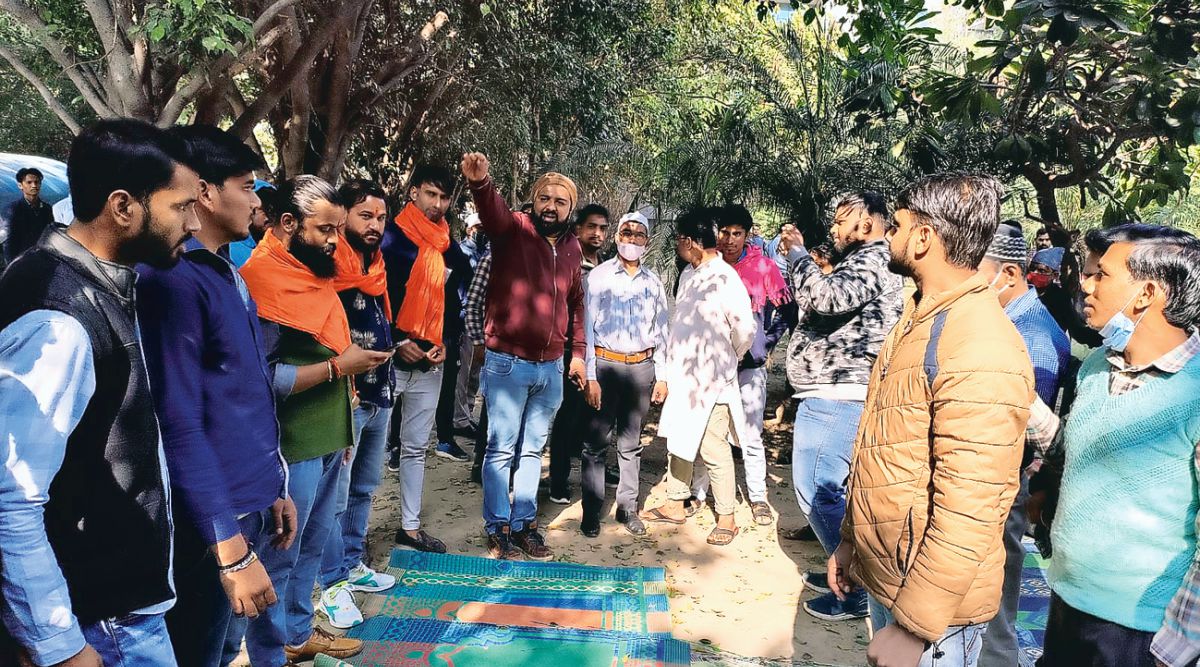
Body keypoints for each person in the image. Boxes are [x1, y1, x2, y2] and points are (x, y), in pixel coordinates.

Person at [0, 118, 200, 666]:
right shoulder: (59, 318)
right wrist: (59, 644)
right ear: (123, 206)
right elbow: (12, 495)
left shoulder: (100, 283)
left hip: (117, 610)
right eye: (181, 206)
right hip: (101, 623)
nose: (194, 221)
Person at [828, 173, 1034, 667]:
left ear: (923, 238)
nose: (887, 237)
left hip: (933, 612)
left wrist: (915, 628)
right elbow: (889, 450)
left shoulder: (979, 345)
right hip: (896, 579)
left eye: (895, 226)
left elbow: (971, 506)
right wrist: (852, 543)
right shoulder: (921, 317)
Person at [134, 124, 298, 667]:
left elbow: (242, 398)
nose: (256, 202)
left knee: (224, 644)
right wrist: (227, 546)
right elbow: (178, 421)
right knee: (196, 649)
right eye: (247, 187)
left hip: (246, 500)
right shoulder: (173, 282)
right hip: (208, 517)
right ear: (203, 192)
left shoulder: (224, 271)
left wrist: (273, 484)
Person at [1025, 225, 1200, 667]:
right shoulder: (1100, 365)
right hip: (1068, 602)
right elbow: (1079, 450)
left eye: (1100, 275)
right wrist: (1024, 403)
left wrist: (1174, 648)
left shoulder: (1194, 393)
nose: (1085, 284)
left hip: (1138, 633)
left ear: (1145, 293)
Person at [239, 176, 390, 665]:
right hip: (292, 445)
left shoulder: (316, 275)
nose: (334, 240)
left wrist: (345, 422)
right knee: (281, 554)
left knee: (314, 544)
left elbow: (334, 346)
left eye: (337, 229)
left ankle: (299, 633)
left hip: (332, 435)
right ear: (288, 223)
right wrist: (336, 369)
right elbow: (262, 378)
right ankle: (270, 650)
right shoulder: (259, 280)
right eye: (325, 229)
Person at [775, 192, 903, 623]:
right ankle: (842, 569)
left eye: (840, 220)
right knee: (835, 493)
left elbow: (825, 298)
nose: (832, 228)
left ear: (866, 223)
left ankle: (852, 590)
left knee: (817, 489)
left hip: (839, 396)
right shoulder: (866, 260)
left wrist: (797, 255)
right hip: (833, 393)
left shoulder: (873, 259)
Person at [461, 152, 587, 562]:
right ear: (533, 201)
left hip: (550, 367)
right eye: (544, 198)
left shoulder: (571, 248)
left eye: (560, 200)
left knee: (533, 451)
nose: (551, 206)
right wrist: (481, 183)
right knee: (500, 449)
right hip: (507, 363)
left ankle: (524, 524)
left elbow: (577, 303)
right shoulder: (513, 229)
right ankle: (497, 526)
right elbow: (492, 211)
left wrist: (578, 354)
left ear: (571, 207)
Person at [972, 221, 1069, 667]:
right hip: (991, 481)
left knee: (994, 609)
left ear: (1008, 274)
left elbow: (1025, 428)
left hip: (1001, 483)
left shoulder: (1032, 338)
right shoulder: (1007, 321)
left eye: (978, 271)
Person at [313, 179, 403, 631]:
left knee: (365, 488)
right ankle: (331, 585)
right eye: (365, 215)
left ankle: (351, 564)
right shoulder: (327, 267)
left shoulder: (377, 265)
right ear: (344, 215)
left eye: (381, 218)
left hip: (379, 391)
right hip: (345, 397)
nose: (374, 225)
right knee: (334, 496)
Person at [640, 207, 756, 547]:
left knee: (713, 447)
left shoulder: (725, 276)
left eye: (679, 239)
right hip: (684, 377)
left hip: (714, 379)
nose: (677, 245)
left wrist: (730, 357)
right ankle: (676, 502)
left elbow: (745, 329)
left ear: (690, 241)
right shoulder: (688, 275)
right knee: (678, 439)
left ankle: (727, 517)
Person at [380, 165, 472, 546]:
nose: (436, 204)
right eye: (430, 194)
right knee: (365, 452)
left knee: (416, 448)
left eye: (444, 197)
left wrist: (446, 341)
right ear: (414, 192)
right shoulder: (388, 239)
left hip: (431, 361)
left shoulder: (448, 246)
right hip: (384, 360)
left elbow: (457, 297)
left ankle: (410, 527)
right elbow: (369, 297)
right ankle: (346, 539)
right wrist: (397, 342)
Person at [691, 204, 795, 526]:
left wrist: (766, 342)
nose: (730, 239)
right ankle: (697, 493)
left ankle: (758, 497)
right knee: (706, 431)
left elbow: (788, 311)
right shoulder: (706, 268)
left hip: (749, 368)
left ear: (747, 235)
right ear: (715, 233)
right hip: (711, 367)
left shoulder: (763, 267)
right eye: (724, 232)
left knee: (751, 434)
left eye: (737, 233)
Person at [580, 212, 670, 537]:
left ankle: (627, 508)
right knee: (595, 442)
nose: (631, 240)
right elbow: (587, 331)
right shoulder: (599, 277)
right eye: (626, 233)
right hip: (605, 367)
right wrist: (590, 376)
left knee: (631, 443)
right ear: (617, 237)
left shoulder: (653, 283)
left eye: (639, 235)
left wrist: (662, 375)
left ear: (646, 241)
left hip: (641, 369)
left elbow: (662, 331)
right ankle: (591, 511)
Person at [548, 203, 609, 504]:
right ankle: (557, 479)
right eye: (591, 227)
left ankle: (597, 470)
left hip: (602, 353)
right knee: (566, 416)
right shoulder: (565, 262)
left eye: (602, 228)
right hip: (571, 352)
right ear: (578, 229)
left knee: (597, 415)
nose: (597, 233)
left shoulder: (609, 267)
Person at [2, 167, 55, 266]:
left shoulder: (47, 209)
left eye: (37, 182)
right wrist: (11, 268)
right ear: (20, 185)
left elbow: (50, 235)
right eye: (29, 182)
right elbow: (9, 243)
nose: (34, 185)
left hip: (43, 262)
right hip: (21, 263)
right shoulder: (13, 210)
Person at [229, 180, 278, 268]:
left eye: (271, 209)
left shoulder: (283, 244)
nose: (267, 216)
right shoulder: (233, 251)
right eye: (260, 209)